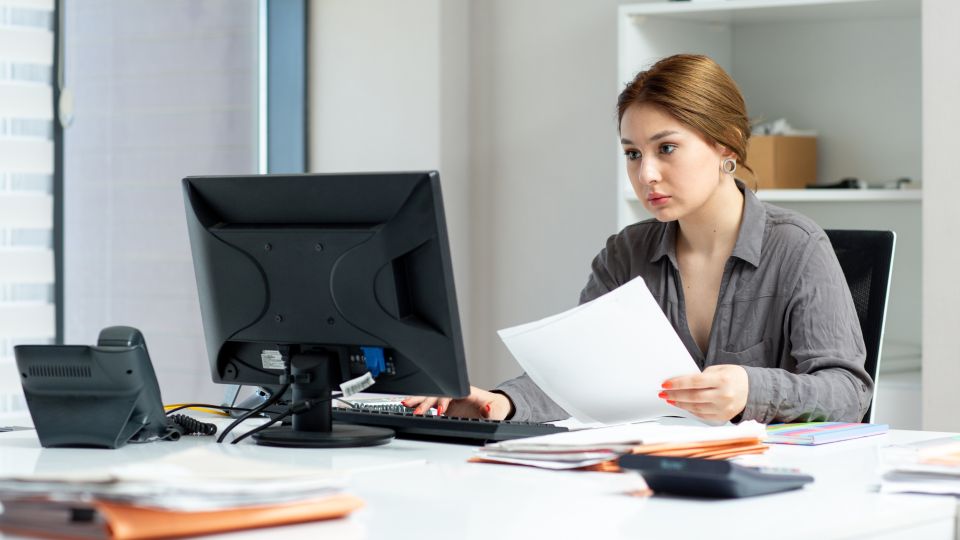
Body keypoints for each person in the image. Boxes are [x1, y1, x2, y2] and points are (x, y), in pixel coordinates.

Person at [403, 54, 872, 425]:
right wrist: (500, 402)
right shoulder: (626, 253)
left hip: (779, 488)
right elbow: (577, 374)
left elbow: (848, 392)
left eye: (666, 148)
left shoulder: (797, 246)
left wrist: (754, 389)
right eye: (633, 153)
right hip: (652, 480)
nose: (646, 174)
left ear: (725, 144)